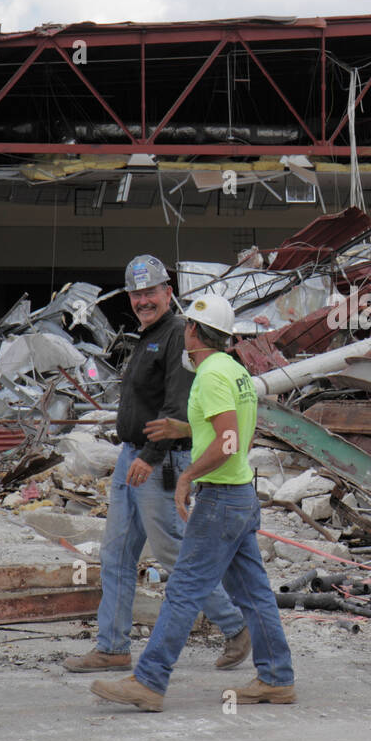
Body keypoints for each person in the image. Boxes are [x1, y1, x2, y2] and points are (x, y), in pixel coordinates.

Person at [90, 294, 295, 711]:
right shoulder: (235, 371)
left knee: (183, 590)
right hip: (240, 495)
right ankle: (277, 678)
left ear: (193, 332)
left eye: (186, 328)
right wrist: (184, 427)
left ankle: (149, 681)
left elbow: (227, 440)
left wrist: (187, 475)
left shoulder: (211, 376)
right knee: (254, 592)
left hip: (220, 500)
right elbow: (237, 432)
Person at [63, 256, 251, 675]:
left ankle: (237, 626)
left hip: (158, 461)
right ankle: (112, 647)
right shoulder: (147, 335)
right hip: (132, 458)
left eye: (151, 292)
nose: (143, 300)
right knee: (116, 554)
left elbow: (176, 407)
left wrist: (149, 458)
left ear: (168, 292)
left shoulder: (177, 338)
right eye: (136, 293)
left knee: (173, 553)